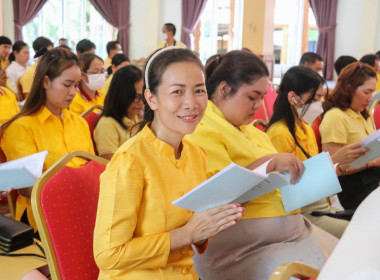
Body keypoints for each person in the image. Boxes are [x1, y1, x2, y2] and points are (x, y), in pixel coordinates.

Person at [93, 47, 244, 279]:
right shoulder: (129, 161)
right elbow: (109, 254)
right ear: (151, 99)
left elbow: (194, 231)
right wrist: (188, 234)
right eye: (177, 92)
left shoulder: (196, 154)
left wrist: (213, 222)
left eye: (199, 90)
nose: (191, 103)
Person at [186, 51, 338, 279]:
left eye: (262, 98)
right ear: (225, 89)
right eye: (252, 97)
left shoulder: (250, 130)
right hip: (242, 246)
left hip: (284, 232)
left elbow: (276, 179)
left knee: (348, 261)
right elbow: (216, 198)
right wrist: (270, 163)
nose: (258, 106)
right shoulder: (202, 128)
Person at [0, 47, 94, 279]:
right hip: (42, 216)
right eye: (67, 84)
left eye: (77, 85)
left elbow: (92, 170)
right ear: (45, 82)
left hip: (85, 208)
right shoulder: (22, 127)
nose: (73, 92)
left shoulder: (78, 123)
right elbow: (28, 187)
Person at [266, 66, 367, 238]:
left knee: (365, 222)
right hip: (301, 212)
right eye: (316, 98)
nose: (319, 104)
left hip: (319, 205)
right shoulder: (280, 133)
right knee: (359, 234)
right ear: (293, 98)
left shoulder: (306, 128)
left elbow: (311, 172)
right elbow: (288, 192)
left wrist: (340, 165)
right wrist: (335, 160)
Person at [320, 62, 380, 210]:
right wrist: (372, 162)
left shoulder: (362, 114)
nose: (370, 98)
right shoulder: (336, 116)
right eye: (367, 92)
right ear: (349, 89)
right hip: (351, 187)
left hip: (371, 178)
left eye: (372, 92)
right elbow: (333, 167)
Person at [94, 65, 143, 160]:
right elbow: (111, 165)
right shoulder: (107, 125)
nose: (142, 103)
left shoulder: (137, 118)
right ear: (121, 95)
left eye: (143, 96)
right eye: (137, 97)